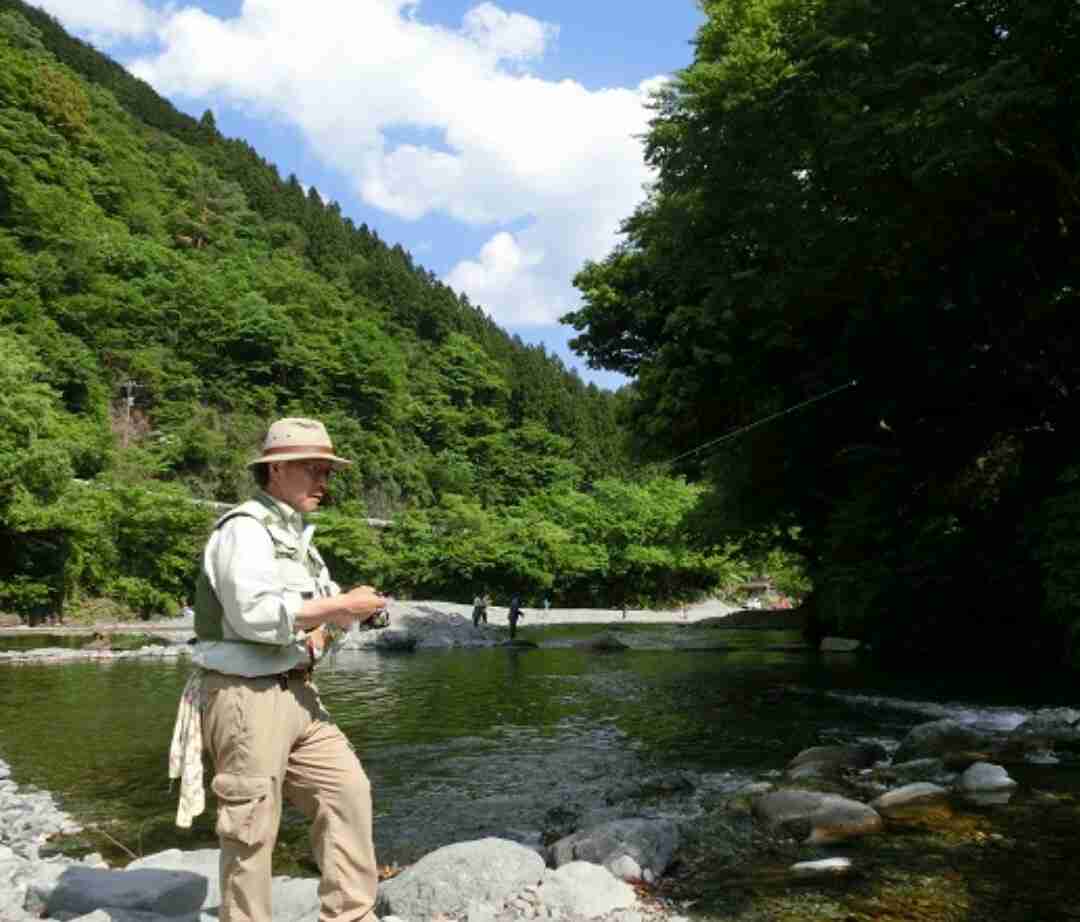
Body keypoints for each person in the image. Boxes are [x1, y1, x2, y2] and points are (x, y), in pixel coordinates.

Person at [169, 417, 386, 922]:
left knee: (347, 792)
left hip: (299, 694)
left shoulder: (298, 537)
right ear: (277, 470)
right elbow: (255, 616)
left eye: (328, 470)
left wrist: (348, 613)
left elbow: (313, 619)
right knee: (250, 827)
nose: (324, 480)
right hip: (245, 696)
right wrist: (338, 606)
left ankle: (351, 915)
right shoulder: (243, 529)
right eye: (313, 468)